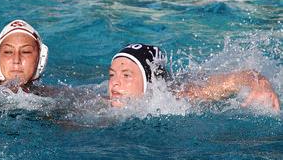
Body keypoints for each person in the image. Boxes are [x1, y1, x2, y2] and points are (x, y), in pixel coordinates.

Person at [108, 43, 280, 111]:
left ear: (150, 81)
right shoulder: (102, 104)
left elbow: (241, 77)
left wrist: (261, 85)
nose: (115, 83)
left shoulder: (185, 95)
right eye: (111, 74)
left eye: (126, 75)